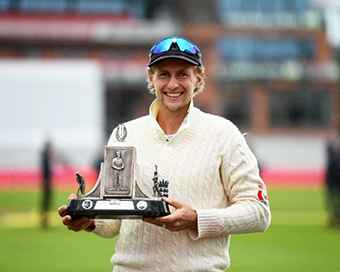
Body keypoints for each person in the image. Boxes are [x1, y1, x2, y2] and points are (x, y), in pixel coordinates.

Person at [58, 36, 271, 271]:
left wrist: (198, 219)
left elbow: (258, 212)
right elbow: (115, 222)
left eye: (182, 74)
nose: (172, 84)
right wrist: (89, 220)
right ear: (151, 77)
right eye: (163, 74)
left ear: (198, 78)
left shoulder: (224, 134)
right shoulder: (125, 133)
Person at [325, 133, 340, 228]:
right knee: (333, 203)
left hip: (334, 183)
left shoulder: (333, 159)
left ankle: (336, 220)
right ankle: (335, 219)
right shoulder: (333, 159)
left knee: (335, 203)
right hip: (333, 184)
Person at [41, 140, 54, 228]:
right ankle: (44, 220)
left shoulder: (45, 157)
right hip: (47, 182)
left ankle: (45, 220)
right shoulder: (46, 158)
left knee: (46, 202)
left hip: (47, 181)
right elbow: (46, 171)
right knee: (46, 202)